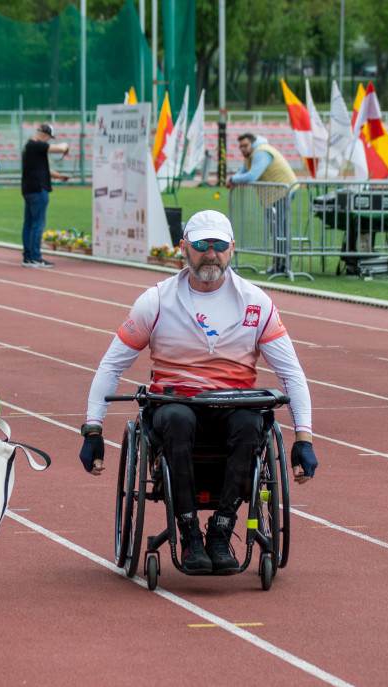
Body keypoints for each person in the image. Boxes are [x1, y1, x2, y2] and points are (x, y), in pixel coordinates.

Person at [78, 209, 317, 574]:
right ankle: (188, 531)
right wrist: (93, 429)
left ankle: (222, 530)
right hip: (175, 406)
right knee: (176, 418)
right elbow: (112, 365)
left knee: (251, 424)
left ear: (232, 249)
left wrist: (304, 439)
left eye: (218, 245)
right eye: (201, 244)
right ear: (183, 248)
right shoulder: (155, 301)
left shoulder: (257, 303)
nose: (210, 253)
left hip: (233, 408)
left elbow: (292, 374)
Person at [226, 132, 298, 275]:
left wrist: (233, 179)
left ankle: (280, 264)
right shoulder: (250, 155)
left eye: (245, 146)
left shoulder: (261, 153)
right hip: (274, 195)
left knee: (278, 229)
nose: (243, 149)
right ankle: (280, 264)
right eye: (240, 147)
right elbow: (243, 172)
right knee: (277, 229)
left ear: (252, 143)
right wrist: (234, 179)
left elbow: (253, 175)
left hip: (283, 192)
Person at [20, 122, 70, 267]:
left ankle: (28, 256)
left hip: (29, 189)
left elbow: (41, 168)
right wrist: (66, 146)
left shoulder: (30, 147)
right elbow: (60, 148)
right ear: (45, 134)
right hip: (37, 189)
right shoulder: (36, 145)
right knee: (38, 224)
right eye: (48, 138)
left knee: (29, 223)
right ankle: (35, 256)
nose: (48, 141)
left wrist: (58, 176)